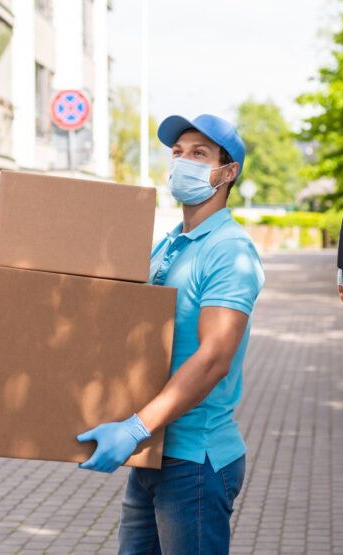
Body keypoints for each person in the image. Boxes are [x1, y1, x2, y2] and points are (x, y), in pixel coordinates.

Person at [77, 114, 265, 554]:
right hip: (151, 451)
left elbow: (215, 357)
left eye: (199, 153)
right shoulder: (170, 244)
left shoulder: (229, 250)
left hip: (193, 460)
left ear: (228, 171)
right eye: (178, 153)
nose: (183, 162)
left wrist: (136, 426)